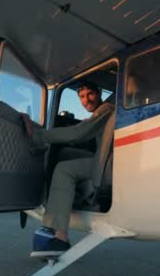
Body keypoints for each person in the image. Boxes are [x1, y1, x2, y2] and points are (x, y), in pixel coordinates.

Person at [20, 81, 114, 258]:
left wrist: (37, 135)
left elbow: (79, 132)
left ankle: (60, 236)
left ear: (100, 92)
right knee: (64, 153)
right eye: (82, 96)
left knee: (64, 169)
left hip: (110, 166)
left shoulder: (107, 108)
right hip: (107, 160)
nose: (86, 100)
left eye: (90, 94)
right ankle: (58, 205)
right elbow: (85, 134)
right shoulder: (103, 111)